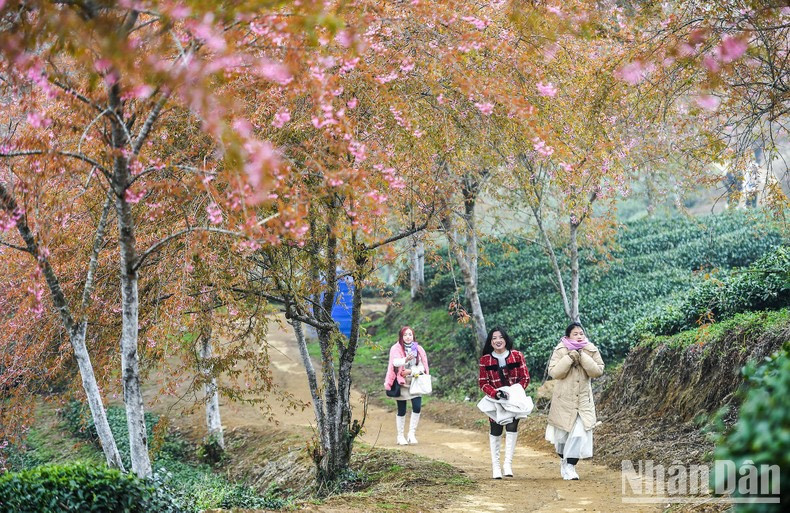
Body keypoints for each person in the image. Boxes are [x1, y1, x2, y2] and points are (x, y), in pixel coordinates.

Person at [545, 322, 605, 481]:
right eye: (575, 334)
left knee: (579, 434)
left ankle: (570, 466)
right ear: (568, 336)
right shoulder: (560, 350)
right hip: (563, 401)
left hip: (583, 401)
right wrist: (570, 357)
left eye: (581, 333)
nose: (579, 336)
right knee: (563, 437)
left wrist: (583, 356)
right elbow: (554, 372)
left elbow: (597, 371)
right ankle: (564, 462)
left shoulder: (591, 349)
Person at [478, 327, 531, 479]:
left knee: (512, 426)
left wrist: (515, 392)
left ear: (506, 339)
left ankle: (507, 463)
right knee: (495, 429)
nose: (498, 340)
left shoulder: (517, 356)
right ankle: (495, 466)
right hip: (495, 399)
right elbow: (483, 382)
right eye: (494, 338)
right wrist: (495, 393)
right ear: (490, 341)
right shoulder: (485, 360)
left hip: (514, 398)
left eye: (500, 337)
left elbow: (525, 377)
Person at [384, 326, 429, 445]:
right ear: (401, 336)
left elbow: (422, 367)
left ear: (413, 336)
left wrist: (411, 371)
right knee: (402, 409)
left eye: (410, 334)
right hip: (402, 382)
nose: (408, 337)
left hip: (415, 381)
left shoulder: (418, 348)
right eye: (405, 335)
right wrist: (405, 359)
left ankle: (411, 434)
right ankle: (400, 436)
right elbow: (395, 362)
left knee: (417, 407)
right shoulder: (396, 348)